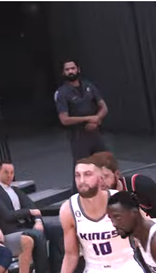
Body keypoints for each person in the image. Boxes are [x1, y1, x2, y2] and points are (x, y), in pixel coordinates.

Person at [54, 59, 109, 193]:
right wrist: (89, 118)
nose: (70, 71)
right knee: (82, 170)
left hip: (95, 133)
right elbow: (64, 119)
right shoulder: (62, 93)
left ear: (78, 69)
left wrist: (97, 119)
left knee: (106, 164)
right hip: (79, 136)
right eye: (67, 69)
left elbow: (103, 107)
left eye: (73, 68)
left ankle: (110, 195)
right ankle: (78, 199)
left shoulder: (88, 86)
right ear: (63, 72)